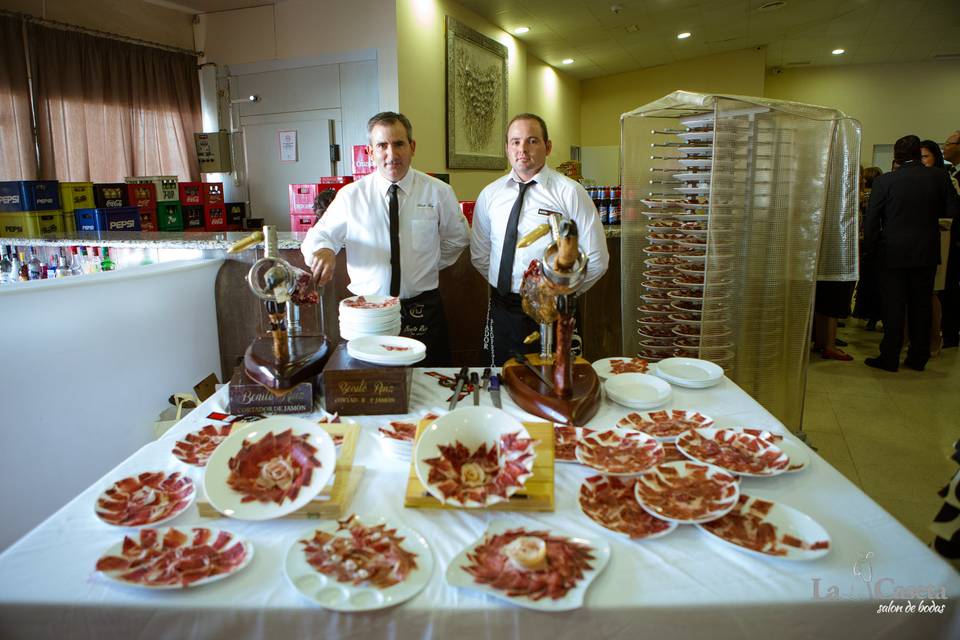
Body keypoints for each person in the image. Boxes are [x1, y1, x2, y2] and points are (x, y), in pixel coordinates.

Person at [300, 111, 470, 366]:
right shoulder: (351, 196)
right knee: (373, 389)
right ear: (370, 152)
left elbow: (457, 239)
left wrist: (426, 263)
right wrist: (324, 249)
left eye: (399, 144)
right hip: (368, 314)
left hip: (422, 309)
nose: (392, 154)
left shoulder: (438, 192)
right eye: (382, 145)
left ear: (412, 147)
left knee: (430, 387)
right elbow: (319, 235)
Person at [471, 113, 609, 366]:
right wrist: (506, 287)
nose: (522, 149)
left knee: (555, 388)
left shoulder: (570, 193)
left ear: (548, 146)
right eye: (515, 141)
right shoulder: (490, 195)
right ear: (507, 147)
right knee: (500, 381)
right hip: (502, 310)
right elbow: (481, 255)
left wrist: (561, 294)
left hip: (555, 311)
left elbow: (598, 259)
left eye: (532, 141)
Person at [863, 135, 959, 372]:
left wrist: (870, 250)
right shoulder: (939, 177)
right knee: (921, 305)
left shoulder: (886, 181)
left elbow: (872, 219)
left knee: (893, 306)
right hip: (926, 250)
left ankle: (890, 356)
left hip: (892, 251)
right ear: (918, 153)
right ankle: (918, 357)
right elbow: (953, 210)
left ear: (896, 156)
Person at [920, 140, 954, 356]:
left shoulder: (945, 180)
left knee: (932, 292)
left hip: (939, 241)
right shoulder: (916, 180)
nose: (922, 161)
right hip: (918, 242)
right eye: (919, 157)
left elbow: (952, 214)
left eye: (926, 156)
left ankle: (934, 340)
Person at [853, 166, 884, 330]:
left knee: (868, 281)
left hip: (868, 242)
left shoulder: (864, 197)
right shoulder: (861, 197)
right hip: (870, 241)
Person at [939, 130, 960, 348]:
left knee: (953, 288)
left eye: (949, 143)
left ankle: (952, 333)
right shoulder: (945, 173)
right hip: (946, 239)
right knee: (947, 287)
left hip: (957, 239)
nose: (945, 147)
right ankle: (947, 330)